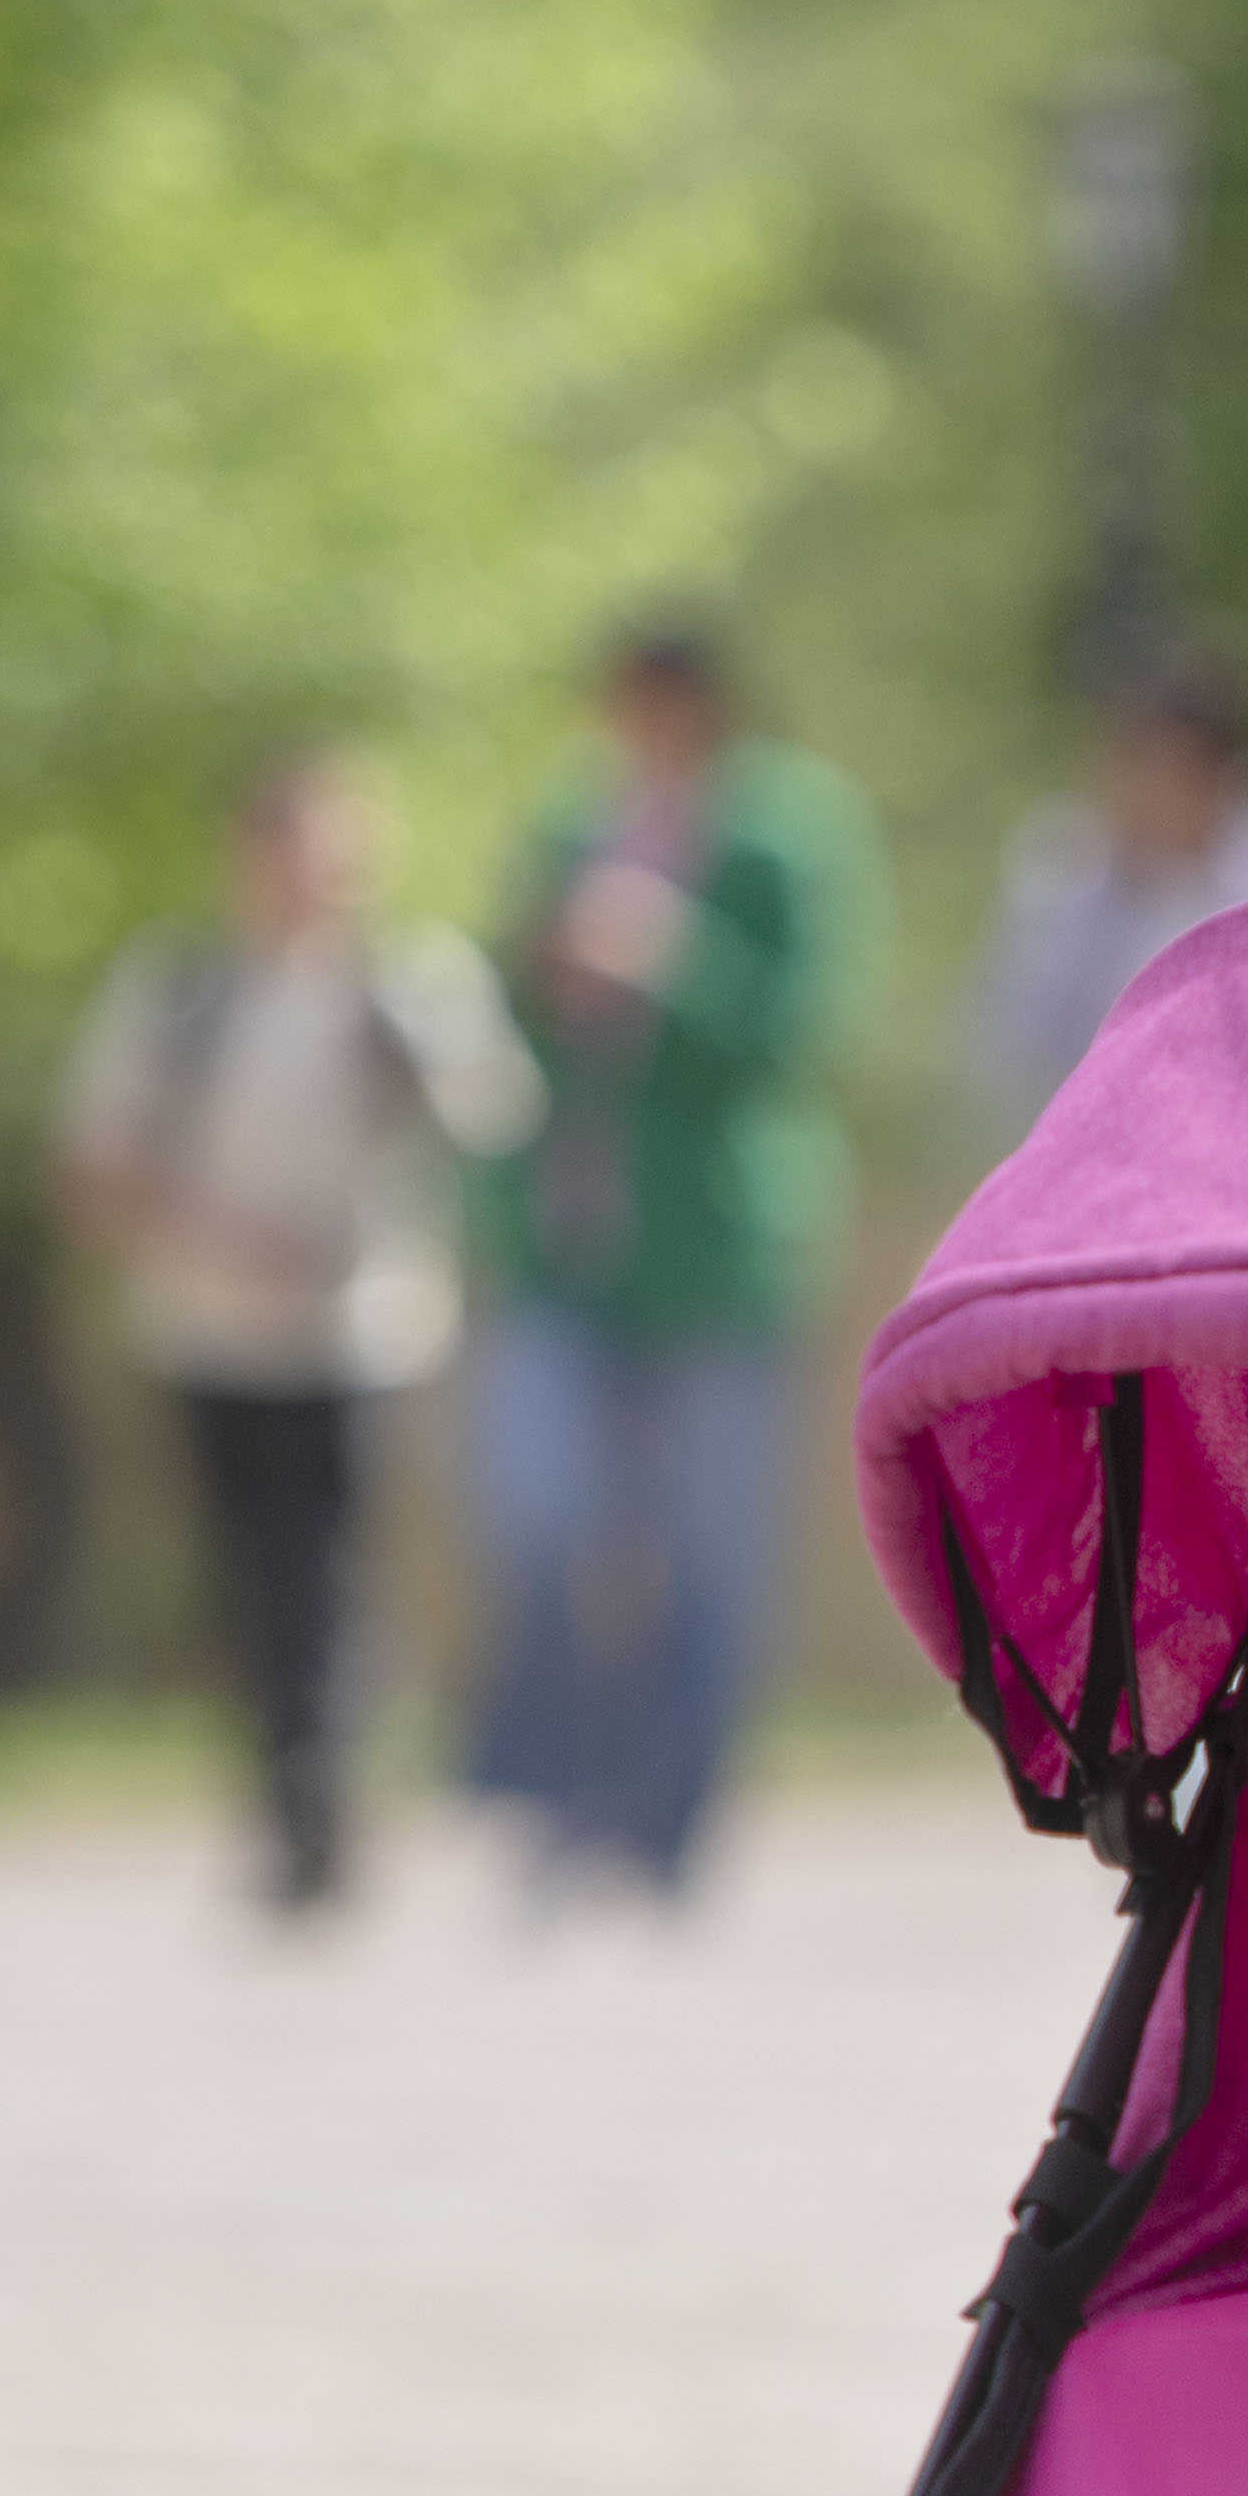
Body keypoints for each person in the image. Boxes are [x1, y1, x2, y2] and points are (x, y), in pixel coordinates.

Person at [51, 747, 540, 1914]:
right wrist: (218, 1239)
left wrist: (421, 1054)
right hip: (207, 1328)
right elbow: (93, 1164)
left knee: (328, 1561)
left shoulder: (412, 982)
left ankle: (323, 1793)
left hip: (362, 1327)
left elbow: (494, 1118)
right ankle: (290, 1786)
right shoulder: (178, 991)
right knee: (253, 1568)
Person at [465, 618, 883, 1901]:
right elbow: (504, 1004)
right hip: (569, 1235)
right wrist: (552, 967)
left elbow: (800, 1025)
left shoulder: (785, 833)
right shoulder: (574, 824)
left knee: (708, 1545)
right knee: (543, 1511)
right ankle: (559, 1785)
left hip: (714, 1245)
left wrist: (671, 961)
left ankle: (670, 1817)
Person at [955, 621, 1248, 1139]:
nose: (1129, 791)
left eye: (1156, 768)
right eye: (1117, 759)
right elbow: (1006, 1053)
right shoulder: (1065, 866)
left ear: (1223, 774)